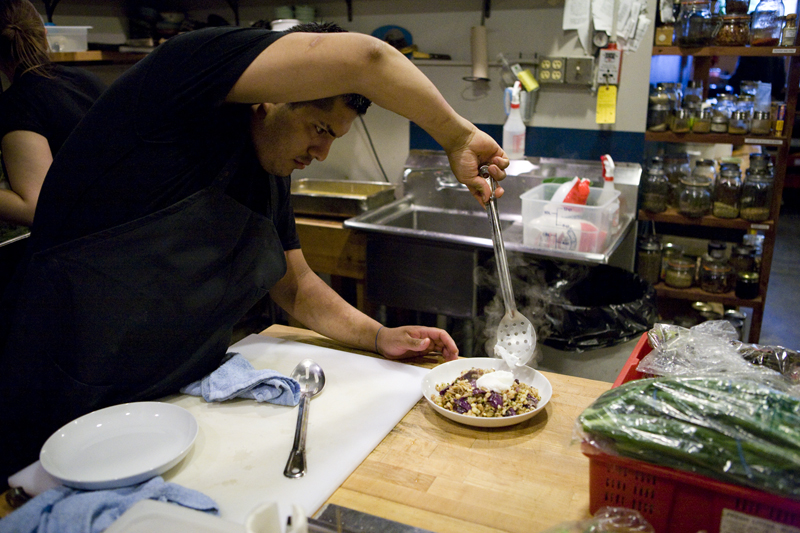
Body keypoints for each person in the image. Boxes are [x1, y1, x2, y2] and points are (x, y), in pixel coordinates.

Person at [0, 21, 509, 482]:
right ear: (273, 96)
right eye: (319, 128)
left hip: (164, 409)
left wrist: (378, 335)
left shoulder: (269, 169)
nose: (322, 152)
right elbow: (368, 58)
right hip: (62, 393)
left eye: (334, 137)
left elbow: (296, 284)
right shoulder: (180, 78)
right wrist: (457, 135)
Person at [0, 0, 106, 227]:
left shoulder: (17, 102)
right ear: (45, 35)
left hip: (85, 236)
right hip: (130, 222)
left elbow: (34, 208)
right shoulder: (86, 79)